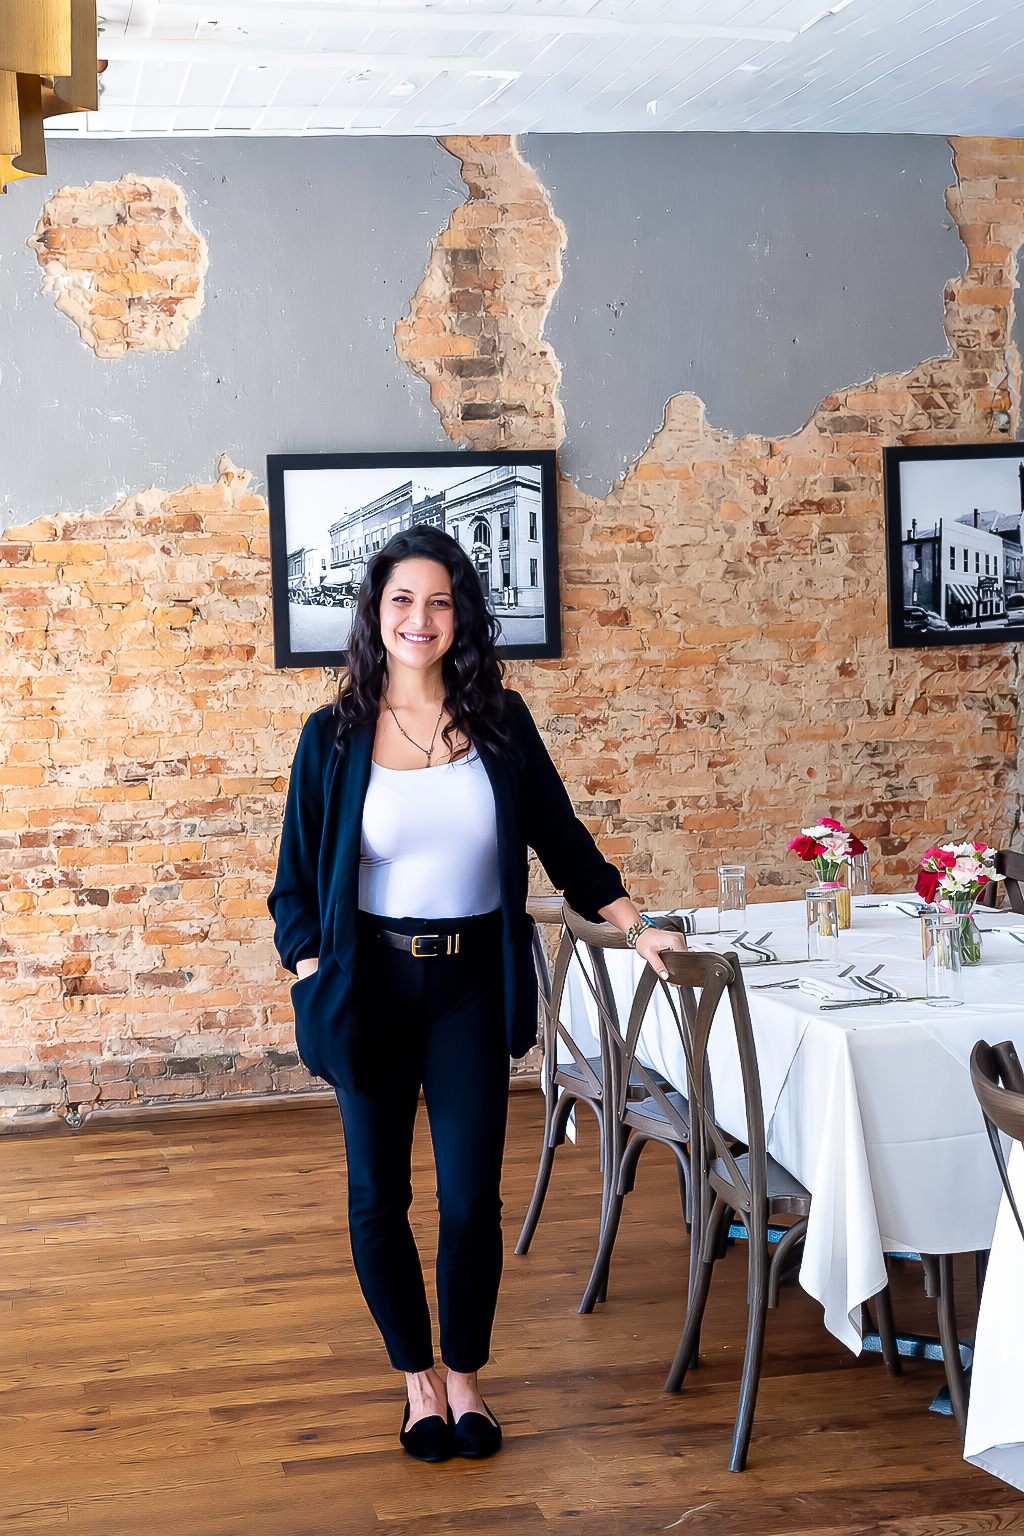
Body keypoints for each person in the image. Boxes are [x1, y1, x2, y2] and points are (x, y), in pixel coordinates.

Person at [268, 525, 686, 1463]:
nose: (420, 618)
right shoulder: (333, 736)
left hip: (468, 986)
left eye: (439, 601)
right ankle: (416, 1381)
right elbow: (292, 888)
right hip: (367, 984)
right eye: (402, 600)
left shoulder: (501, 722)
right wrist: (312, 974)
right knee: (377, 1194)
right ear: (376, 614)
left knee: (468, 1201)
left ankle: (465, 1377)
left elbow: (563, 840)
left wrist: (635, 924)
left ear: (461, 615)